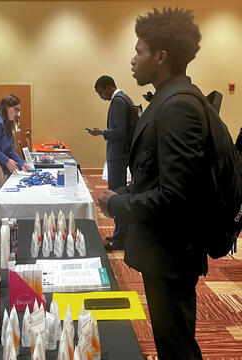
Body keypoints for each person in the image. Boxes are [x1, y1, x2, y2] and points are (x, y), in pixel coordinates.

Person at [98, 7, 207, 359]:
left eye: (139, 52)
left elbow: (175, 195)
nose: (132, 60)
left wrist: (117, 204)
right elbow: (154, 175)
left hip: (172, 250)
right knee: (169, 340)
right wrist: (126, 192)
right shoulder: (168, 99)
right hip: (165, 247)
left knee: (176, 344)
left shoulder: (179, 106)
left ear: (161, 57)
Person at [88, 75, 135, 250]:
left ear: (108, 87)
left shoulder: (118, 101)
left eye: (100, 92)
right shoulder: (125, 99)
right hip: (122, 153)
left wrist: (102, 132)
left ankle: (121, 237)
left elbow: (120, 131)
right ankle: (121, 234)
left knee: (116, 195)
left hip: (118, 154)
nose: (101, 97)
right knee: (120, 194)